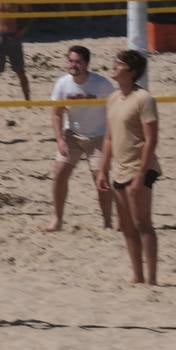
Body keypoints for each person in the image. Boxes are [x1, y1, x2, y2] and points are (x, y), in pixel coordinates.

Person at [97, 50, 160, 286]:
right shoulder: (113, 98)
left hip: (141, 168)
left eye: (119, 64)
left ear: (131, 71)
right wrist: (103, 170)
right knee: (126, 226)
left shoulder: (144, 99)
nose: (113, 66)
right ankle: (138, 274)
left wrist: (140, 175)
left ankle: (152, 278)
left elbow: (151, 139)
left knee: (143, 223)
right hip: (120, 169)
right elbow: (109, 138)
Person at [43, 45, 115, 232]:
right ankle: (57, 220)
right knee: (59, 173)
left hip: (98, 136)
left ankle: (107, 222)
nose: (73, 65)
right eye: (70, 61)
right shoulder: (62, 83)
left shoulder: (102, 84)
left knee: (101, 179)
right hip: (72, 135)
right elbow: (57, 114)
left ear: (86, 64)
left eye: (77, 62)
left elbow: (114, 112)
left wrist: (110, 138)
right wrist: (60, 139)